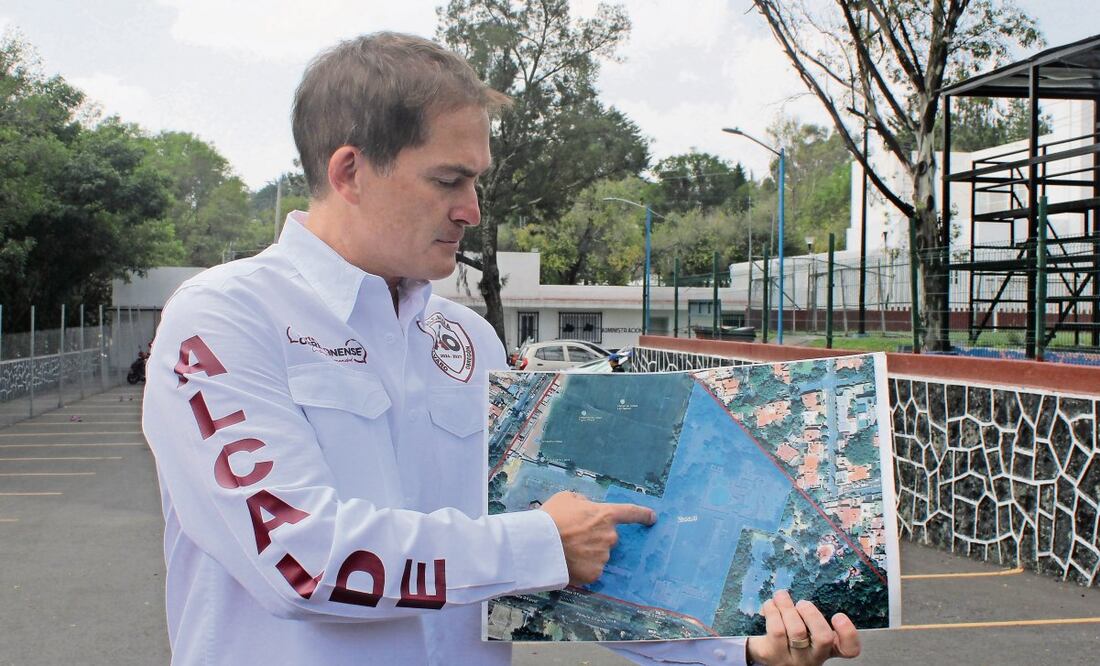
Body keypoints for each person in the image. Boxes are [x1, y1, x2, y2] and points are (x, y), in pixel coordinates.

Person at [142, 32, 860, 666]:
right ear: (349, 172)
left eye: (476, 181)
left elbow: (569, 565)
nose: (471, 210)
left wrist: (736, 649)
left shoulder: (467, 339)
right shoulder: (223, 319)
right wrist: (540, 545)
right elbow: (300, 562)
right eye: (449, 180)